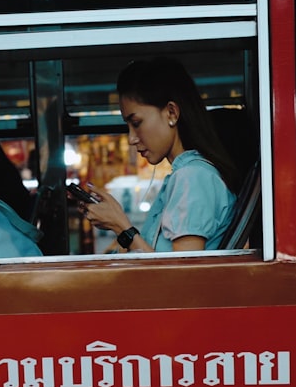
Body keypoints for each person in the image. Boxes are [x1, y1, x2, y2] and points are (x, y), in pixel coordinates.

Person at [79, 57, 242, 252]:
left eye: (137, 123)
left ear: (171, 113)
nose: (131, 138)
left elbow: (179, 277)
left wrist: (121, 226)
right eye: (128, 126)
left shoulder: (193, 177)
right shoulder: (187, 175)